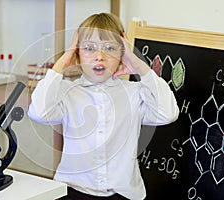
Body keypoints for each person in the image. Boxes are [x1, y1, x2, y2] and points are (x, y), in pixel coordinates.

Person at [28, 13, 179, 200]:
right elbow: (39, 112)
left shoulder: (135, 92)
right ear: (78, 53)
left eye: (109, 48)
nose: (99, 56)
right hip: (73, 191)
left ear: (122, 53)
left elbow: (168, 114)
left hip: (123, 194)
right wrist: (65, 60)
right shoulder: (67, 92)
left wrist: (140, 67)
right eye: (89, 48)